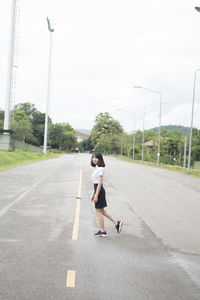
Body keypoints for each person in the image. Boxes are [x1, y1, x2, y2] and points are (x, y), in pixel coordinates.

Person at [91, 152, 123, 237]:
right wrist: (93, 194)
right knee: (102, 211)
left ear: (100, 159)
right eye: (93, 157)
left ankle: (103, 231)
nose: (94, 159)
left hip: (99, 191)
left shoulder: (101, 169)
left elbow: (99, 183)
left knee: (98, 212)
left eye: (96, 158)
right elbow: (95, 183)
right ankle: (117, 222)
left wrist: (96, 195)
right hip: (97, 190)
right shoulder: (96, 168)